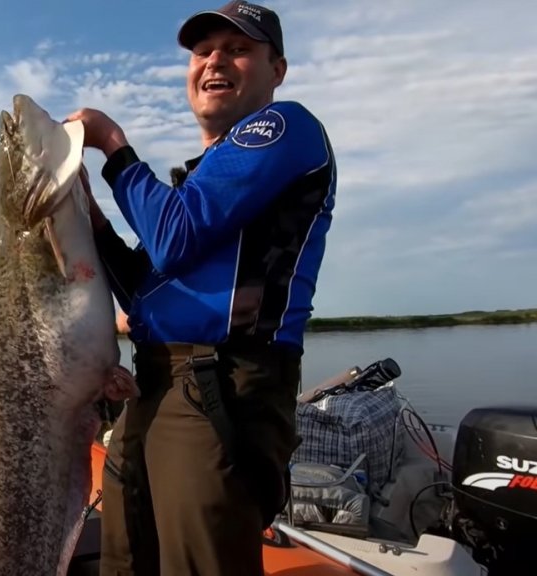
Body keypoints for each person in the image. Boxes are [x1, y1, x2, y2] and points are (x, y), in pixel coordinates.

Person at [65, 2, 337, 575]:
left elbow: (174, 237)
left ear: (277, 69)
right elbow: (143, 288)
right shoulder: (206, 178)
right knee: (123, 558)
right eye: (202, 51)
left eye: (238, 49)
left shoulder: (283, 127)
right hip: (153, 383)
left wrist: (113, 143)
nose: (215, 60)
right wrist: (88, 213)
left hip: (221, 387)